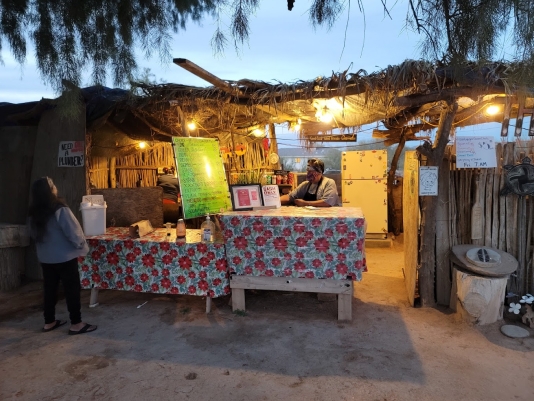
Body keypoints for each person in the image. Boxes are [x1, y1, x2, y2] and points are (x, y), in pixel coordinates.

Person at [28, 177, 97, 335]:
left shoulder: (33, 212)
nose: (55, 187)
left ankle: (49, 321)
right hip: (65, 257)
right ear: (50, 190)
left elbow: (32, 234)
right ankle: (76, 323)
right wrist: (82, 247)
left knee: (49, 289)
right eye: (52, 185)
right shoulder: (59, 208)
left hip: (45, 258)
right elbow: (73, 232)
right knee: (71, 289)